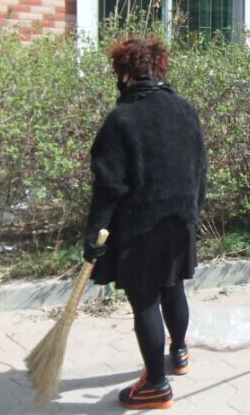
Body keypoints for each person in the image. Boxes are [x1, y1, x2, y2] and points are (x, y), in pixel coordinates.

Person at [83, 36, 207, 410]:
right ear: (159, 69)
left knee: (145, 301)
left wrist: (95, 233)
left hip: (140, 227)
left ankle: (155, 385)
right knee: (173, 286)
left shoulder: (121, 119)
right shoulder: (185, 110)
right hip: (180, 220)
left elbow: (109, 185)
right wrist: (193, 211)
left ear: (125, 73)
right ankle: (179, 353)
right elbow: (200, 171)